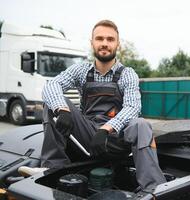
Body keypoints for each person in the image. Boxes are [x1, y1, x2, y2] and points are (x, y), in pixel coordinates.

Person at [18, 19, 166, 192]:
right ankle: (52, 167)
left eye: (110, 39)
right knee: (54, 102)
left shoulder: (127, 74)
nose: (104, 43)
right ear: (92, 43)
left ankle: (154, 189)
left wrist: (106, 129)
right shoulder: (81, 70)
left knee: (141, 124)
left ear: (117, 44)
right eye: (99, 38)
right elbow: (52, 85)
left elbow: (133, 108)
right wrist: (62, 109)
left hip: (115, 140)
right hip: (87, 135)